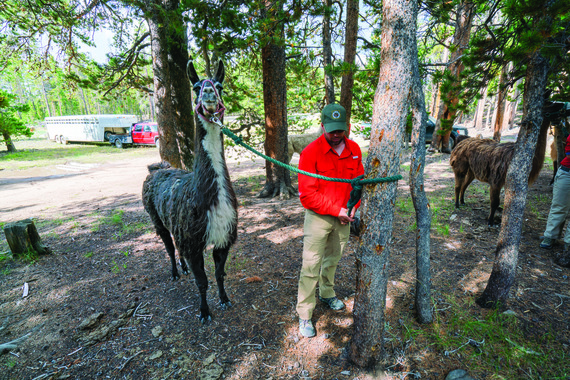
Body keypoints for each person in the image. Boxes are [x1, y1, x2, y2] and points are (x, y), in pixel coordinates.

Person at [296, 103, 365, 338]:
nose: (336, 135)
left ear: (346, 127)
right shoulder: (310, 153)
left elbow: (358, 184)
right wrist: (337, 210)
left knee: (333, 260)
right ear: (322, 126)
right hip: (318, 218)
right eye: (332, 130)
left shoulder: (354, 149)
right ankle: (305, 315)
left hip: (344, 218)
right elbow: (307, 196)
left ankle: (327, 294)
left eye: (340, 130)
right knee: (310, 266)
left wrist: (353, 208)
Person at [540, 133, 570, 267]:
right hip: (567, 173)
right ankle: (550, 236)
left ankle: (568, 243)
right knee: (559, 207)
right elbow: (568, 154)